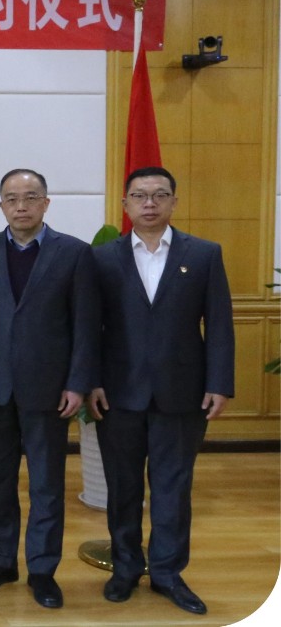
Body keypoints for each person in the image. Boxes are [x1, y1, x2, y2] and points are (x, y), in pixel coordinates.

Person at [88, 166, 233, 615]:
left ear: (174, 201)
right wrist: (91, 381)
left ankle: (168, 573)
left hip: (183, 392)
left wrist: (219, 383)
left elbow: (219, 323)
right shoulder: (101, 259)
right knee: (123, 487)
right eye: (139, 195)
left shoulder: (204, 254)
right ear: (125, 204)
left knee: (173, 487)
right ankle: (126, 568)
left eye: (159, 195)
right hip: (117, 393)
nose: (149, 203)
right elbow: (88, 327)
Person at [0, 168, 99, 609]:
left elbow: (85, 325)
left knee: (46, 484)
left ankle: (42, 569)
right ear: (1, 205)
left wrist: (77, 383)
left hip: (50, 390)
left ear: (46, 202)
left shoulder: (74, 253)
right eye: (11, 198)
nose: (20, 206)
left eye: (30, 197)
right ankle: (1, 561)